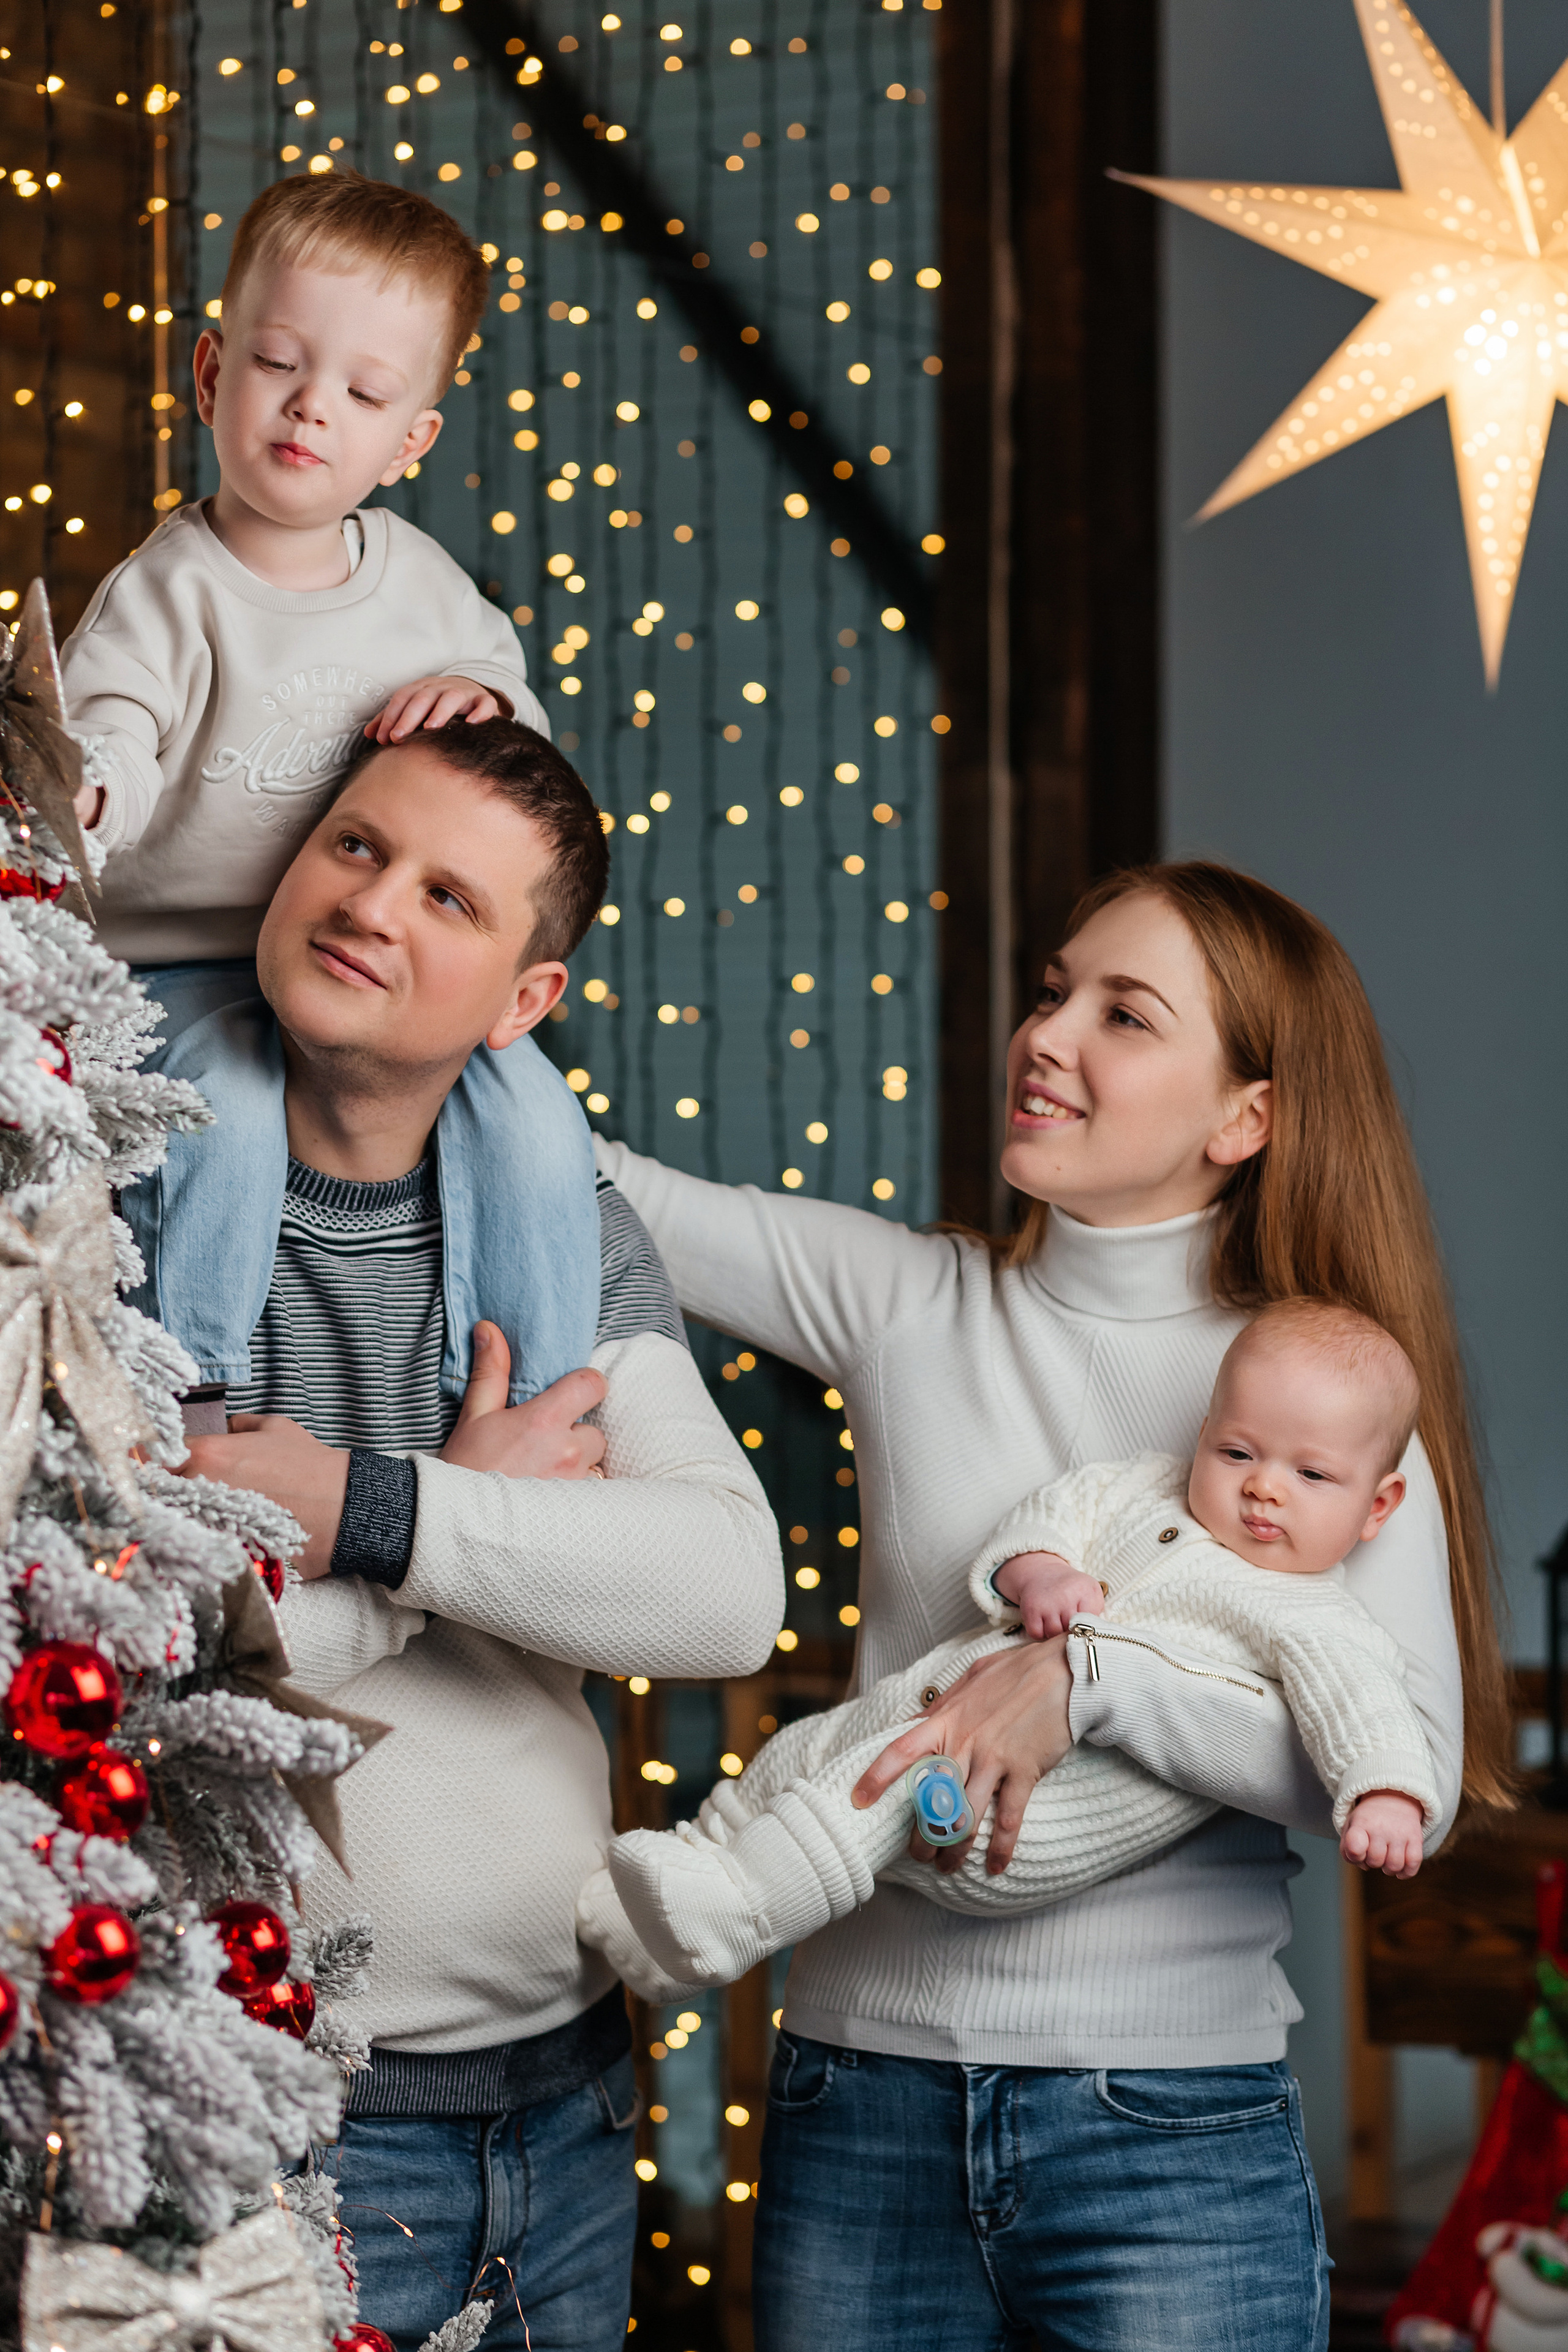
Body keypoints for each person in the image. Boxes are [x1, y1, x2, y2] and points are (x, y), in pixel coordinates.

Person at [595, 861, 1510, 2352]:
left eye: (1122, 1013)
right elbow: (598, 1187)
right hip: (855, 2095)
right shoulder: (904, 1304)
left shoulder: (1322, 1405)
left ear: (1244, 1119)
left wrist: (1085, 1684)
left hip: (1169, 2127)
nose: (1049, 1034)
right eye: (1049, 992)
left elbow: (1392, 1763)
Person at [152, 717, 782, 2351]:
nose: (374, 904)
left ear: (526, 1004)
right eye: (357, 848)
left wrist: (371, 1505)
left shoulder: (564, 1226)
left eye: (451, 897)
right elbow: (127, 1634)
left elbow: (722, 1593)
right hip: (240, 2101)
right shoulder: (119, 1190)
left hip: (562, 2110)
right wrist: (468, 1531)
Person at [578, 1297, 1437, 2006]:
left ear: (1378, 1505)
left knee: (879, 1782)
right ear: (1206, 1431)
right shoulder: (1138, 1486)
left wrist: (1388, 1795)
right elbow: (1043, 1519)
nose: (1263, 1485)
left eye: (1312, 1476)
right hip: (935, 1704)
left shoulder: (1309, 1613)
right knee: (811, 1749)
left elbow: (1362, 1704)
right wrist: (1042, 1575)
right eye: (1239, 1451)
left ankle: (743, 1912)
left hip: (1023, 1822)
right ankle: (659, 1919)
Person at [59, 170, 561, 1381]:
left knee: (538, 1124)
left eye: (365, 390)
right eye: (280, 363)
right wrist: (96, 787)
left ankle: (531, 1391)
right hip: (184, 962)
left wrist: (487, 708)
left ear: (410, 438)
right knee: (220, 1118)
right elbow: (107, 723)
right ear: (208, 374)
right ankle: (196, 1398)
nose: (310, 408)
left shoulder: (426, 586)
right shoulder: (166, 591)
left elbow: (528, 757)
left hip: (374, 977)